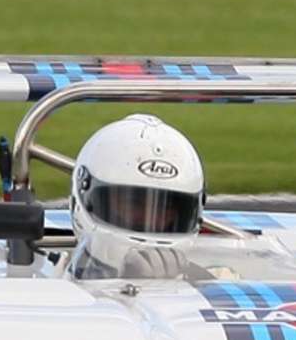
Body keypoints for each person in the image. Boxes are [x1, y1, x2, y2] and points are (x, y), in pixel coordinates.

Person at [68, 113, 207, 280]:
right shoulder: (58, 288)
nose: (148, 218)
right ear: (86, 199)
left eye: (165, 207)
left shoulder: (208, 286)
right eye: (133, 203)